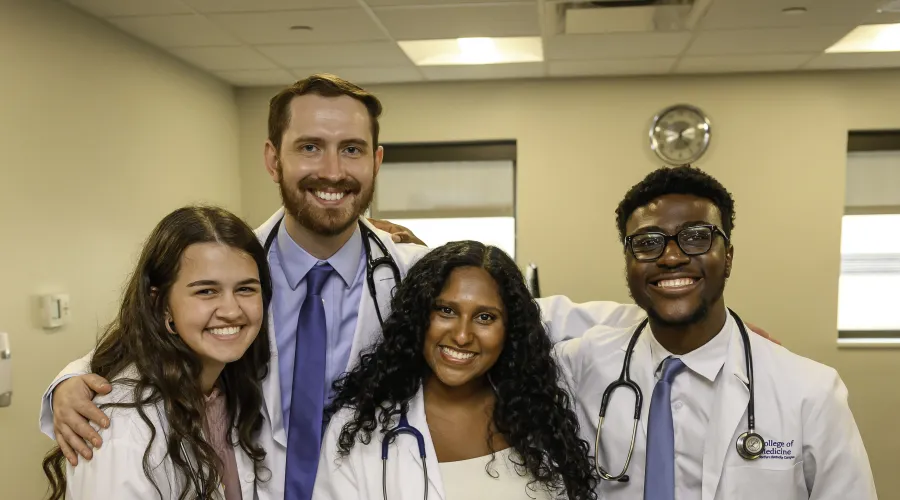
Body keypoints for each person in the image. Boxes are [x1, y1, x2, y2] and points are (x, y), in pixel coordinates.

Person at [41, 74, 651, 500]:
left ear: (376, 161)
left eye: (351, 150)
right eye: (310, 147)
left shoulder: (415, 275)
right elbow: (156, 335)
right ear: (272, 159)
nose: (332, 171)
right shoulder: (235, 271)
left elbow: (545, 315)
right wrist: (68, 381)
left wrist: (712, 330)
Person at [555, 165, 878, 499]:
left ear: (728, 258)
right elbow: (513, 322)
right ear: (628, 264)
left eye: (696, 237)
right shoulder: (579, 368)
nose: (671, 257)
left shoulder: (811, 391)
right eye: (648, 242)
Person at [313, 240, 597, 500]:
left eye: (485, 317)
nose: (462, 336)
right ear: (419, 315)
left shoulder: (543, 418)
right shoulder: (359, 428)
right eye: (446, 311)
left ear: (510, 329)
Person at [41, 205, 272, 499]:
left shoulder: (227, 389)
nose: (231, 310)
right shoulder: (121, 430)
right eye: (206, 291)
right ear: (162, 305)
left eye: (245, 289)